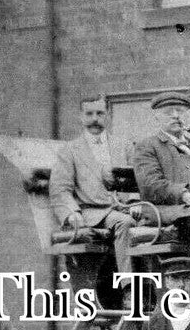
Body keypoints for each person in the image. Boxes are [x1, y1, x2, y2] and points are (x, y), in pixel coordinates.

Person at [131, 91, 190, 285]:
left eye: (181, 111)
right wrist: (185, 195)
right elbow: (151, 185)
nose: (176, 115)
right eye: (169, 112)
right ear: (156, 117)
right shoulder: (147, 146)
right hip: (173, 210)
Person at [49, 95, 137, 274]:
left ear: (108, 115)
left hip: (124, 208)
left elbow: (137, 181)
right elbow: (60, 188)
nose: (95, 119)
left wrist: (136, 201)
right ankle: (129, 287)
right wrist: (71, 213)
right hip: (92, 212)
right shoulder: (70, 150)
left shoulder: (125, 146)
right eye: (89, 114)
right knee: (125, 223)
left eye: (100, 113)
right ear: (81, 117)